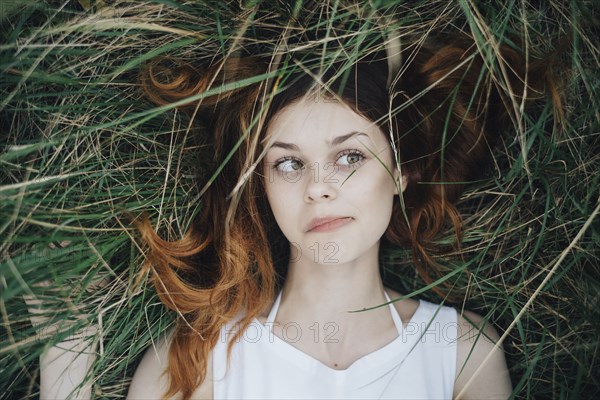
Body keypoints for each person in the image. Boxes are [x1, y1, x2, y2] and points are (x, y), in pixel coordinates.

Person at [122, 28, 558, 399]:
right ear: (262, 187)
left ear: (403, 170)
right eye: (288, 164)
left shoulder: (462, 352)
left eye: (350, 157)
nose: (317, 188)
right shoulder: (196, 358)